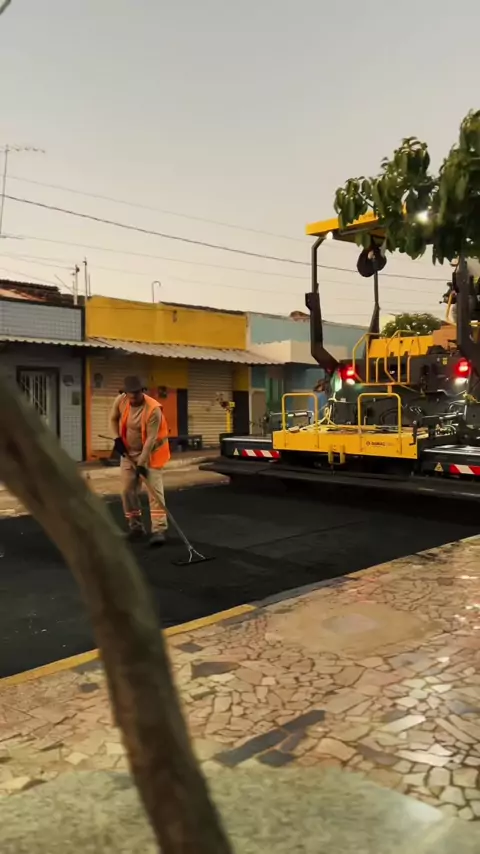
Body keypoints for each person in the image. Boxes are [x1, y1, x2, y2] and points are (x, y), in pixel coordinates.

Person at [110, 376, 170, 546]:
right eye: (130, 394)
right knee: (127, 491)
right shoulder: (121, 401)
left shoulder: (153, 409)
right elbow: (113, 418)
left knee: (154, 492)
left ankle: (159, 530)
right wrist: (117, 439)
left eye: (136, 394)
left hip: (152, 453)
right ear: (125, 393)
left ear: (142, 391)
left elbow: (151, 439)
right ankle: (135, 527)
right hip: (129, 453)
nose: (133, 397)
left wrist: (142, 464)